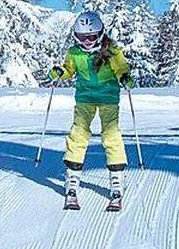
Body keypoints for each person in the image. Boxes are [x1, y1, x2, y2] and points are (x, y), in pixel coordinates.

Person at [49, 11, 134, 209]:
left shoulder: (111, 49)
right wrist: (60, 73)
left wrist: (125, 78)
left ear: (101, 34)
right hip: (85, 96)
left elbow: (121, 68)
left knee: (110, 135)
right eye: (82, 37)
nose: (87, 41)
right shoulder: (74, 52)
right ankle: (72, 178)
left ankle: (116, 178)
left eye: (92, 36)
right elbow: (69, 70)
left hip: (108, 97)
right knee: (78, 133)